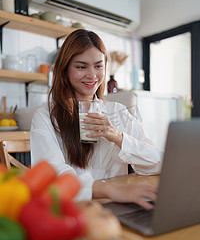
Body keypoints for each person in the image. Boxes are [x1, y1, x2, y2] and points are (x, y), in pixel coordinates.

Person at [31, 29, 162, 210]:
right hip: (72, 210)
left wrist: (116, 136)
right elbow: (53, 176)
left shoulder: (117, 112)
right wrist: (108, 190)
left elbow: (157, 162)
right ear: (65, 69)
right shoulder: (45, 117)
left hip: (118, 205)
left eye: (98, 66)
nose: (92, 75)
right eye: (81, 67)